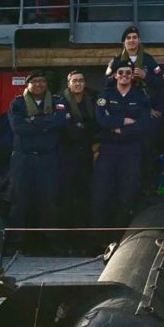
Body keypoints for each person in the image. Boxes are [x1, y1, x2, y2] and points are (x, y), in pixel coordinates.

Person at [7, 70, 68, 250]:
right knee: (19, 200)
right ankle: (15, 242)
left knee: (49, 200)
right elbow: (18, 127)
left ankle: (50, 241)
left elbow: (60, 122)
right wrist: (45, 123)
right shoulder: (17, 103)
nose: (39, 84)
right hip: (23, 159)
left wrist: (33, 121)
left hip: (48, 159)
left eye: (43, 81)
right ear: (28, 84)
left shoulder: (58, 102)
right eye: (35, 81)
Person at [91, 62, 151, 228]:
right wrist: (123, 121)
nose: (124, 75)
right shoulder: (105, 96)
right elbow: (102, 120)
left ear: (132, 75)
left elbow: (144, 124)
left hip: (131, 151)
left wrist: (120, 130)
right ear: (115, 75)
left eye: (128, 73)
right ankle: (100, 236)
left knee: (127, 194)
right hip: (108, 151)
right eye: (121, 72)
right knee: (102, 194)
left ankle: (121, 235)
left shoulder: (141, 97)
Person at [61, 70, 99, 230]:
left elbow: (96, 124)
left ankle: (84, 229)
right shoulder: (61, 102)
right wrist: (81, 129)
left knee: (85, 193)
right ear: (69, 84)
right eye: (74, 81)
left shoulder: (91, 100)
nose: (78, 84)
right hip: (67, 153)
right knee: (67, 194)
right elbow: (66, 128)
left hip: (87, 152)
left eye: (81, 80)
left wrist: (96, 144)